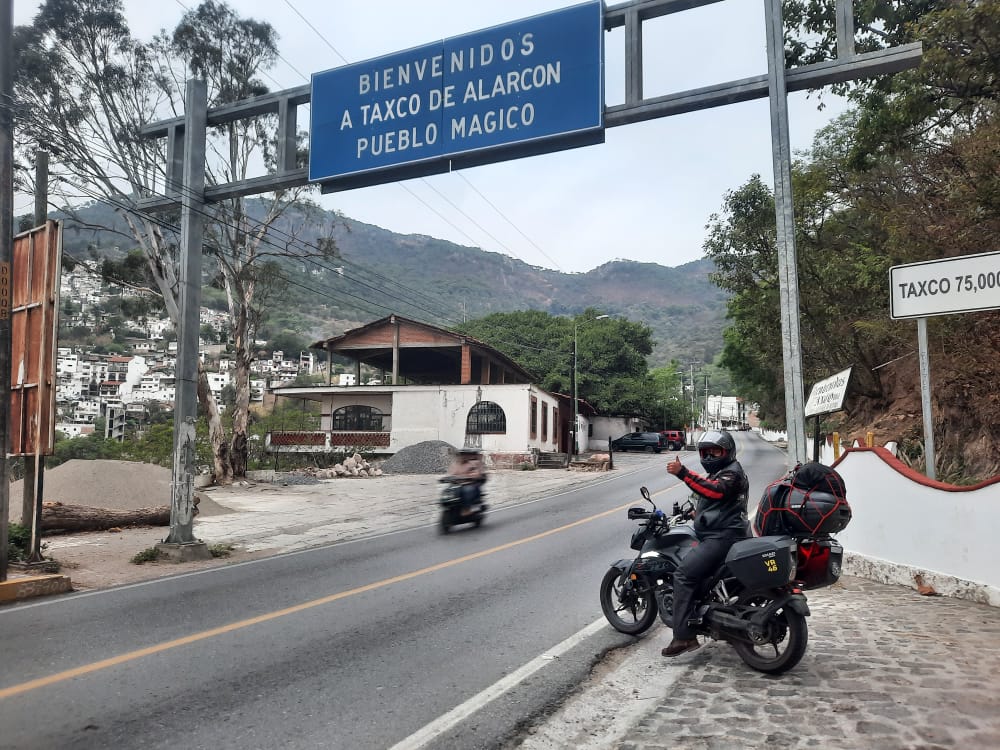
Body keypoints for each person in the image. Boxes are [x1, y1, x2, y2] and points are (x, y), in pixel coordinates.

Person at [661, 430, 750, 657]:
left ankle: (684, 637)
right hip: (722, 533)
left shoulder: (732, 473)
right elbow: (717, 503)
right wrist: (696, 514)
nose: (709, 456)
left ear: (727, 451)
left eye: (715, 451)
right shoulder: (722, 471)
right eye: (705, 452)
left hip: (722, 537)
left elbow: (715, 492)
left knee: (683, 575)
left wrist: (683, 473)